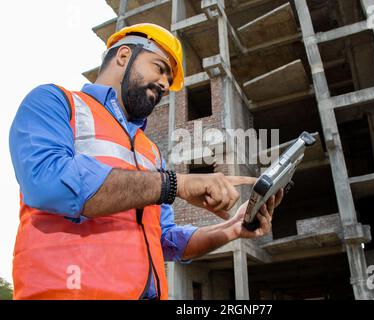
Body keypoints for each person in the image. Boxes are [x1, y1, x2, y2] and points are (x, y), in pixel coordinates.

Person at [9, 23, 283, 300]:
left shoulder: (150, 150)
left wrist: (231, 229)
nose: (165, 84)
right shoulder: (56, 103)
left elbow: (163, 239)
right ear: (124, 56)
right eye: (160, 68)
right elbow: (47, 182)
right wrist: (175, 184)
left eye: (169, 78)